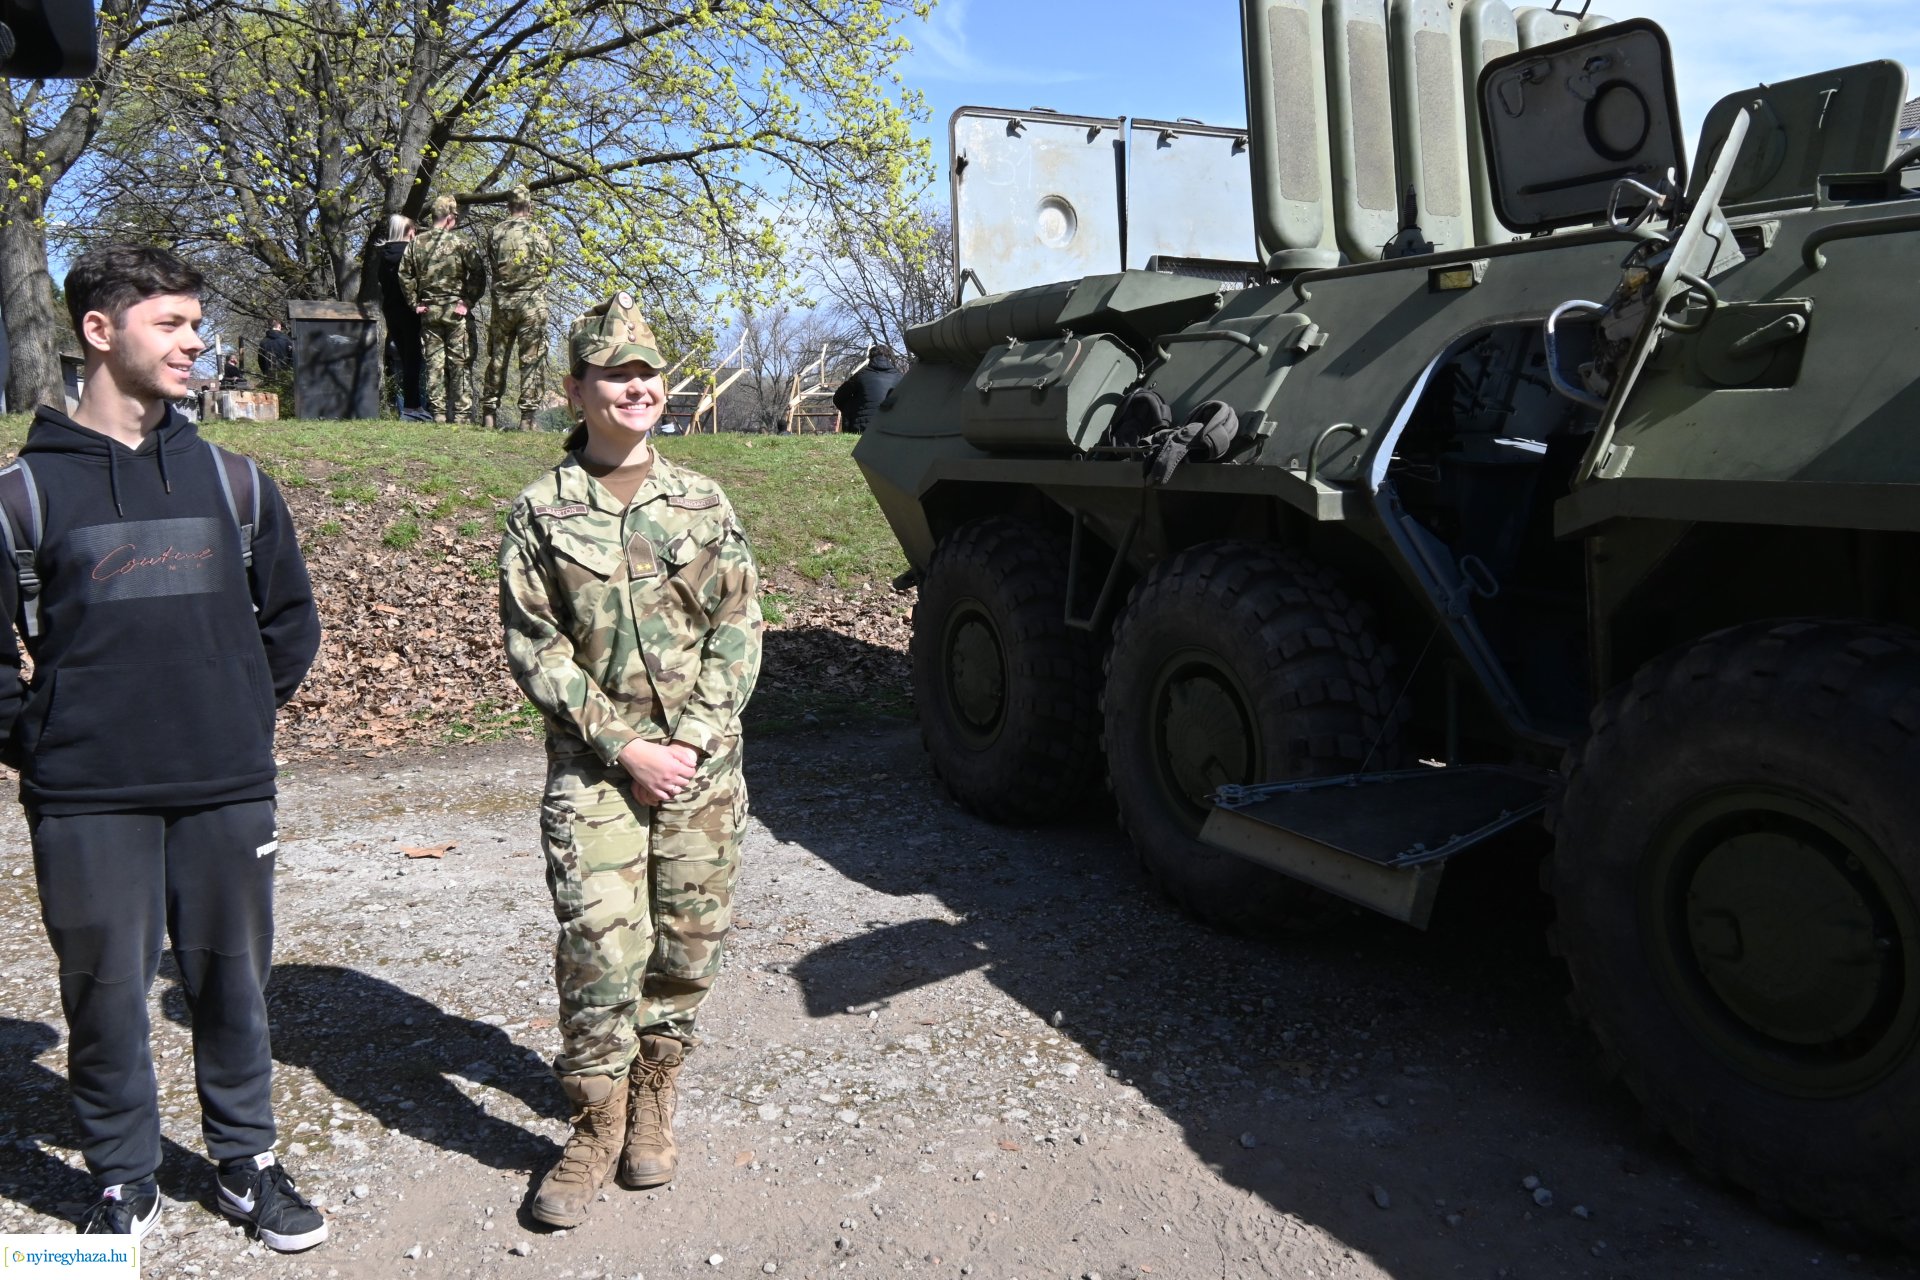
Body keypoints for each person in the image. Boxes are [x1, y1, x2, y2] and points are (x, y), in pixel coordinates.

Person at [0, 246, 323, 1249]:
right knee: (101, 995)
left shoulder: (234, 481)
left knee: (231, 980)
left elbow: (291, 622)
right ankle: (120, 1175)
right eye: (172, 324)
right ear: (99, 332)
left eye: (197, 324)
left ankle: (246, 1162)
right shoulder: (22, 495)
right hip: (87, 803)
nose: (196, 342)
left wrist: (232, 715)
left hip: (227, 789)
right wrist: (49, 743)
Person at [498, 291, 762, 1228]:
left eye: (648, 372)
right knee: (600, 951)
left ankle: (655, 1099)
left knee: (686, 949)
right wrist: (627, 747)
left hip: (701, 771)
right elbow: (536, 647)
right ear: (577, 390)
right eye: (616, 373)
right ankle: (594, 1123)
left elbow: (740, 625)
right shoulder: (539, 512)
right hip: (597, 775)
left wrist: (688, 742)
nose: (637, 386)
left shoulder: (702, 500)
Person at [400, 195, 486, 423]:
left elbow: (404, 275)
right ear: (449, 218)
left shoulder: (415, 243)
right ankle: (461, 416)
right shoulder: (461, 244)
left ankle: (438, 413)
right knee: (460, 362)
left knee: (435, 364)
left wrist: (414, 303)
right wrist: (467, 301)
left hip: (429, 312)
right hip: (455, 312)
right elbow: (478, 273)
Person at [481, 184, 555, 432]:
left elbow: (493, 266)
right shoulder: (540, 232)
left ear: (508, 206)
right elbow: (547, 267)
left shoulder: (496, 232)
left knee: (497, 359)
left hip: (503, 304)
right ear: (530, 207)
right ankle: (527, 419)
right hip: (532, 305)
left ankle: (489, 414)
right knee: (531, 361)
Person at [376, 214, 427, 418]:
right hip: (410, 311)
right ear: (410, 232)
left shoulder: (383, 255)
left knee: (403, 361)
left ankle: (405, 404)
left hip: (390, 311)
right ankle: (413, 405)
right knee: (414, 359)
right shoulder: (409, 253)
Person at [830, 343, 902, 434]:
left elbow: (838, 398)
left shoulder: (860, 376)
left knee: (849, 400)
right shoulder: (899, 377)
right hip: (891, 427)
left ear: (870, 358)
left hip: (861, 428)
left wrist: (851, 409)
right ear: (889, 358)